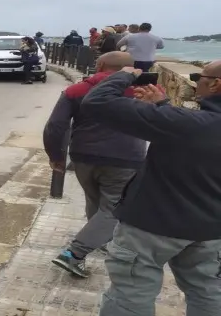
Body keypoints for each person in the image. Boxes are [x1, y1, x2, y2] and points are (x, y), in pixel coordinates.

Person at [80, 63, 221, 315]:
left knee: (131, 293)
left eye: (199, 77)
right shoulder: (190, 125)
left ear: (215, 84)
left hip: (152, 226)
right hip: (211, 231)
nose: (195, 82)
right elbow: (196, 140)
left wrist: (124, 75)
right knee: (208, 291)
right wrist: (163, 108)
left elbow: (97, 102)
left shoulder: (191, 124)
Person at [43, 52, 147, 278]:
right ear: (132, 69)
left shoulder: (76, 90)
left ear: (99, 65)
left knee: (96, 202)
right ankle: (74, 253)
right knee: (113, 209)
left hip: (83, 156)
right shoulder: (141, 92)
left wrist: (56, 156)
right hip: (125, 159)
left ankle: (98, 238)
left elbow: (55, 126)